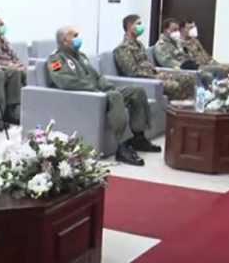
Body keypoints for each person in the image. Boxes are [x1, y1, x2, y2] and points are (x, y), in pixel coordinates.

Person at [49, 26, 160, 166]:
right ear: (64, 41)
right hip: (86, 97)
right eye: (75, 35)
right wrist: (95, 90)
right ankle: (123, 147)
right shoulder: (56, 59)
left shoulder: (81, 56)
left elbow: (97, 76)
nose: (78, 38)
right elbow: (65, 81)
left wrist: (107, 87)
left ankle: (138, 136)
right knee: (114, 96)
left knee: (137, 91)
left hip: (101, 93)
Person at [114, 14, 195, 100]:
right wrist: (154, 77)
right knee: (174, 86)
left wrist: (159, 73)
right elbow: (132, 73)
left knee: (188, 78)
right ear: (130, 26)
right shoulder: (122, 48)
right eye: (138, 24)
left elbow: (148, 64)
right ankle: (173, 110)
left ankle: (183, 108)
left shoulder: (139, 45)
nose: (141, 27)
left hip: (154, 75)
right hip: (145, 81)